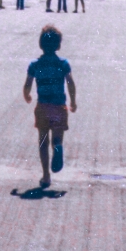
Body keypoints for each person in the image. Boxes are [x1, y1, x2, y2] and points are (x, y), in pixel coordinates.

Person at [22, 25, 78, 189]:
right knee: (56, 138)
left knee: (42, 141)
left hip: (43, 106)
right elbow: (71, 83)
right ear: (58, 45)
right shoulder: (63, 63)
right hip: (59, 106)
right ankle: (58, 146)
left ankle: (46, 175)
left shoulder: (35, 65)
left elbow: (27, 85)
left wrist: (27, 95)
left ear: (40, 44)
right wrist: (73, 101)